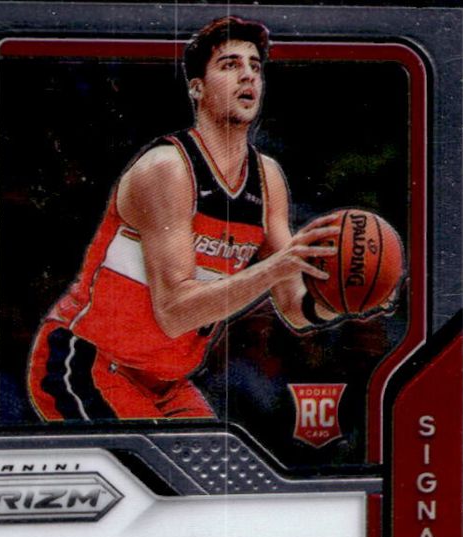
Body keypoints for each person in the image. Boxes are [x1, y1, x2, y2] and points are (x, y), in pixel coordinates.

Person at [28, 16, 340, 421]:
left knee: (220, 462)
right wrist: (274, 268)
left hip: (166, 381)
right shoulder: (168, 168)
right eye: (230, 65)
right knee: (158, 463)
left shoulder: (269, 179)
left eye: (255, 66)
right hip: (88, 362)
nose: (248, 75)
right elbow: (175, 312)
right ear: (197, 87)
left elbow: (295, 309)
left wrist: (343, 298)